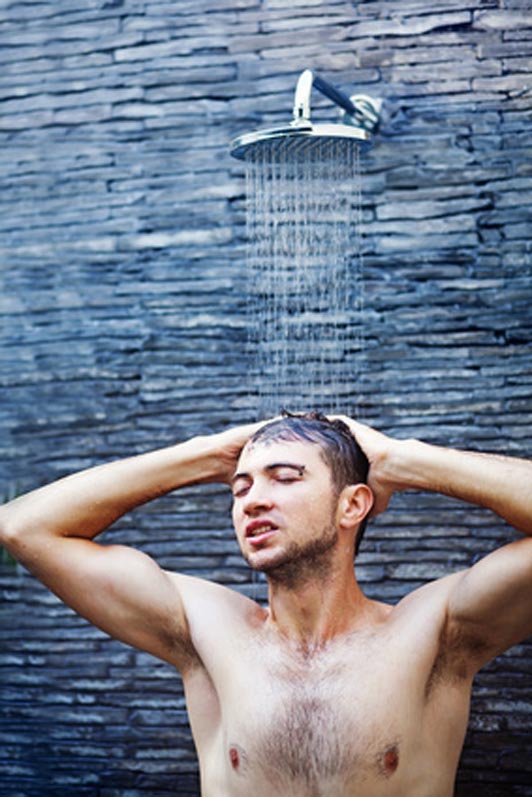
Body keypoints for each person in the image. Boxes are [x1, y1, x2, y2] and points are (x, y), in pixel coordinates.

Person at [1, 411, 531, 797]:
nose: (252, 498)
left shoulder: (435, 633)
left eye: (284, 478)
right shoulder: (206, 632)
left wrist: (398, 458)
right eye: (239, 486)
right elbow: (22, 526)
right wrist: (203, 454)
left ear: (353, 505)